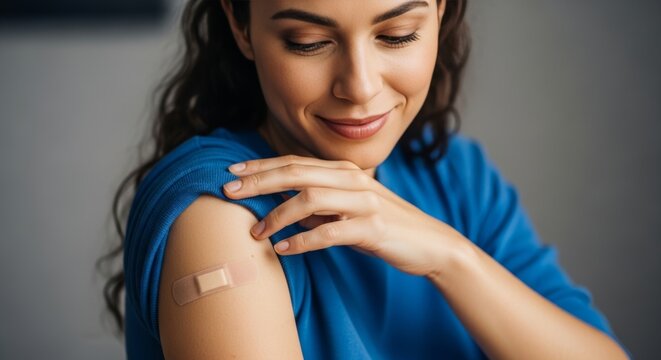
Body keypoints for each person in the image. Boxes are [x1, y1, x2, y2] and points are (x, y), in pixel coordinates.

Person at [99, 0, 630, 358]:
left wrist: (452, 258)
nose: (360, 86)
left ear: (439, 14)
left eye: (397, 35)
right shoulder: (224, 208)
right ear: (242, 27)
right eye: (308, 41)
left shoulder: (454, 173)